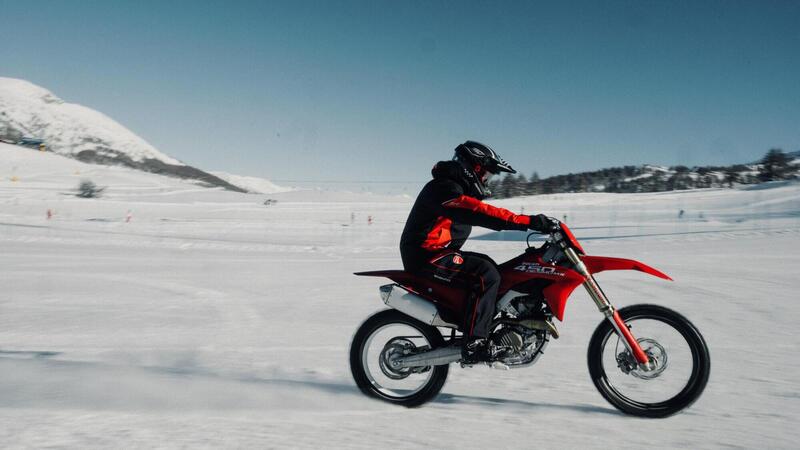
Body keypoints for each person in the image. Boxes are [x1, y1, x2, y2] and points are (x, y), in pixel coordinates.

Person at [399, 141, 558, 364]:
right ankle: (475, 343)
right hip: (424, 256)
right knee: (486, 273)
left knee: (492, 267)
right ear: (472, 167)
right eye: (486, 174)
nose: (486, 181)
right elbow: (479, 212)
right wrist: (527, 222)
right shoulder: (444, 188)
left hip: (436, 254)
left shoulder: (453, 188)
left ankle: (492, 325)